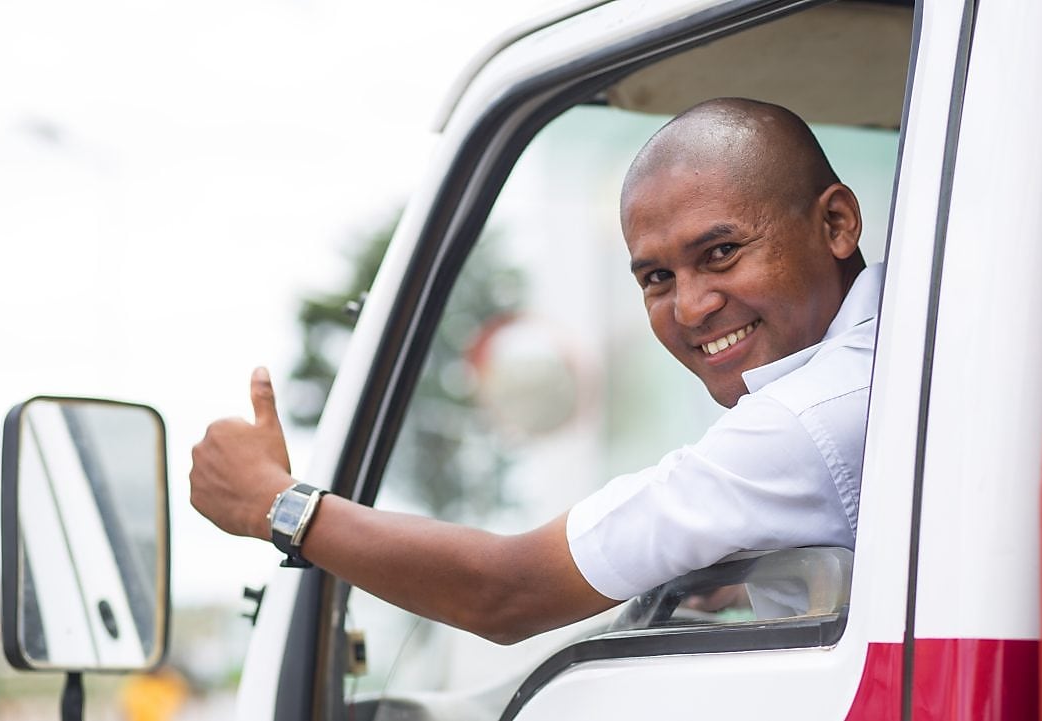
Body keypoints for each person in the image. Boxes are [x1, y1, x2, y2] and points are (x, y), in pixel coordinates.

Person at [189, 97, 881, 645]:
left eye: (722, 252)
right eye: (657, 277)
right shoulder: (887, 364)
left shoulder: (805, 419)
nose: (691, 306)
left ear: (837, 223)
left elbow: (506, 590)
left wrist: (274, 503)